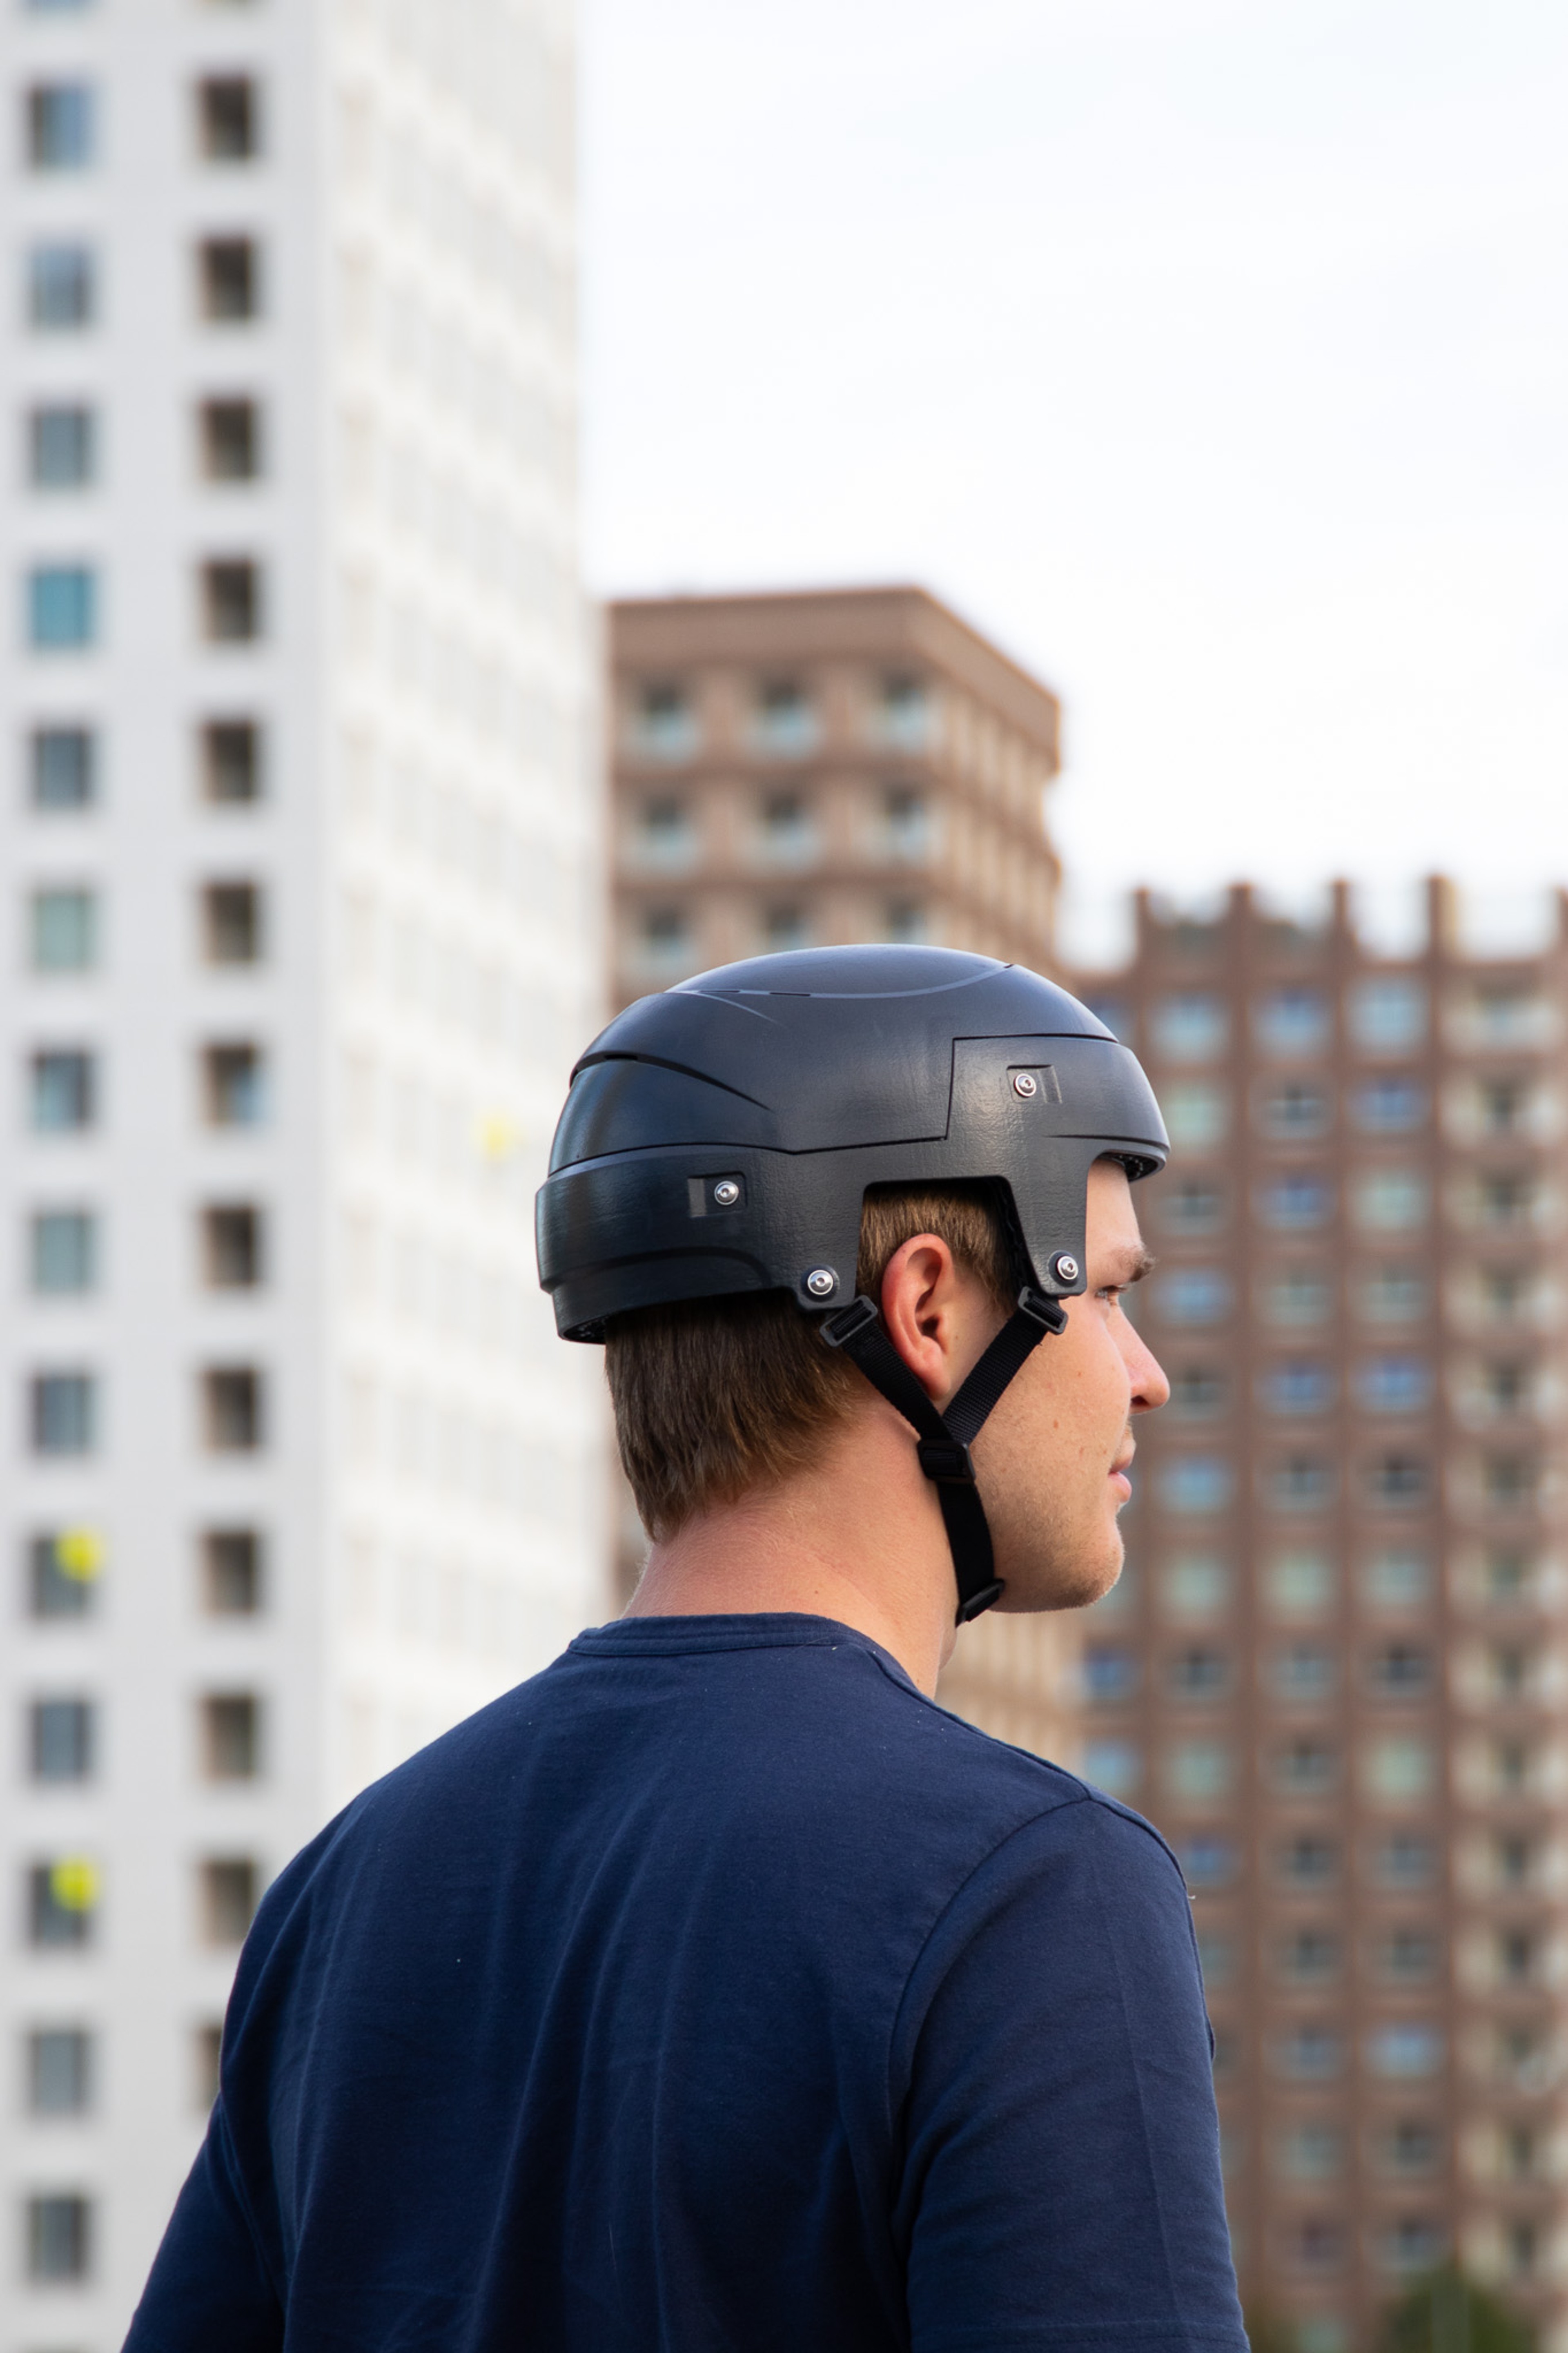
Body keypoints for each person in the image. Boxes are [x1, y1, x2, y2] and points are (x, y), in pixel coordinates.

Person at [125, 944, 1247, 2353]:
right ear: (929, 1309)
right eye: (1106, 1292)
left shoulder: (344, 1895)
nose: (1143, 1370)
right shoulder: (1034, 1898)